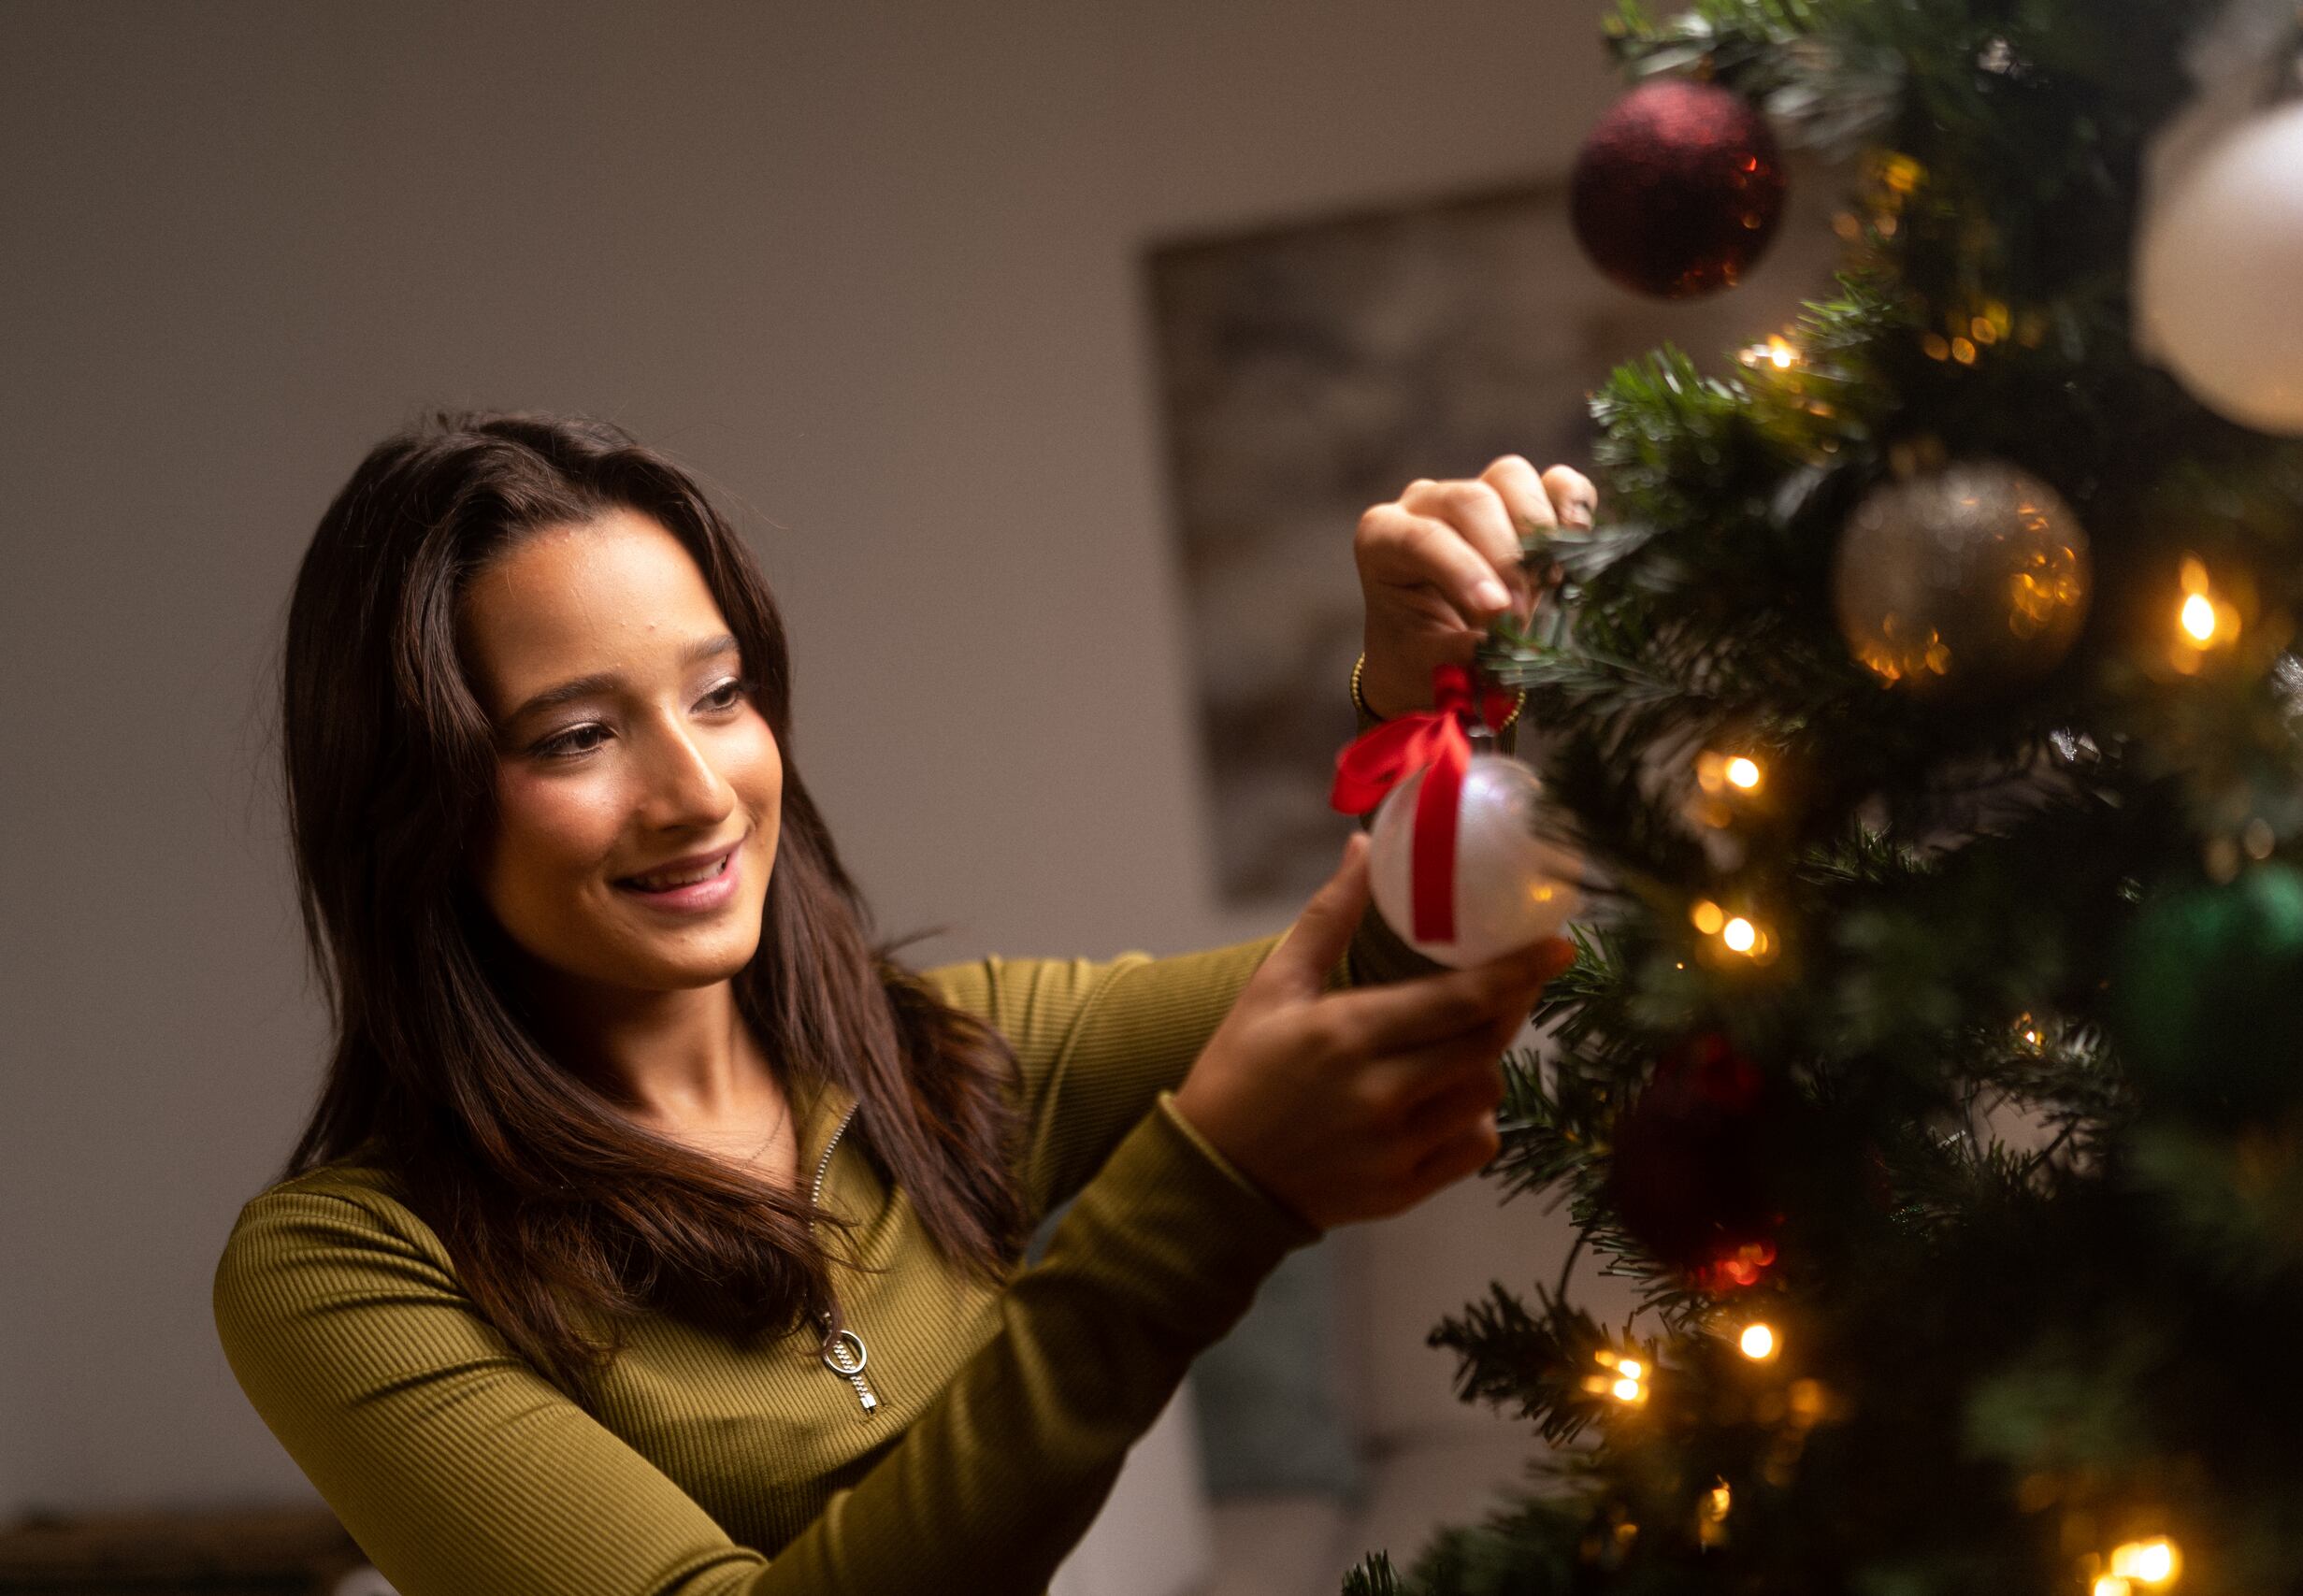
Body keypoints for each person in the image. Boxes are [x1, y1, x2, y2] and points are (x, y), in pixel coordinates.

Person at [212, 410, 1596, 1596]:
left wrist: (1439, 712)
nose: (697, 795)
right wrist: (1206, 1204)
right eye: (577, 735)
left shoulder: (942, 1060)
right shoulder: (342, 1269)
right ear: (415, 808)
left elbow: (1386, 990)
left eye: (720, 694)